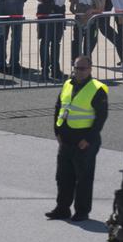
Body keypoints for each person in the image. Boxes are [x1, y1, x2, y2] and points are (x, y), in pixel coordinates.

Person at [46, 56, 107, 222]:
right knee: (63, 177)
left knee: (83, 179)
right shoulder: (68, 84)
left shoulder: (97, 89)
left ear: (90, 69)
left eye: (83, 69)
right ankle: (62, 209)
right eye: (76, 68)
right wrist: (57, 131)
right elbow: (59, 107)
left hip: (84, 141)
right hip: (66, 139)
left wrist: (88, 139)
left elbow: (101, 118)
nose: (79, 72)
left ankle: (82, 211)